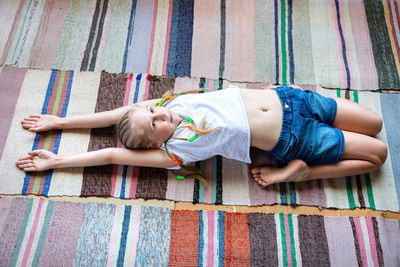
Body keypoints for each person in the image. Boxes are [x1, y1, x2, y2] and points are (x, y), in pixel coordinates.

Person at [16, 85, 387, 187]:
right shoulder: (174, 152)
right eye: (155, 124)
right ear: (155, 143)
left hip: (293, 97)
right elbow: (112, 156)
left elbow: (117, 115)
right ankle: (304, 173)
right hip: (296, 139)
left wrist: (59, 122)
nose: (159, 114)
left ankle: (312, 158)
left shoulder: (169, 101)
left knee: (374, 123)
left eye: (151, 110)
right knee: (378, 155)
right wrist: (59, 161)